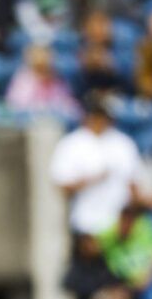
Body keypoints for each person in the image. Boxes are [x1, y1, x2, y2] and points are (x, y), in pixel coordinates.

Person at [49, 92, 146, 235]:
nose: (99, 120)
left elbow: (134, 186)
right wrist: (93, 178)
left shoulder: (123, 143)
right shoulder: (71, 143)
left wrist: (132, 219)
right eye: (95, 115)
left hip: (119, 226)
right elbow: (63, 187)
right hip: (85, 225)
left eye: (103, 116)